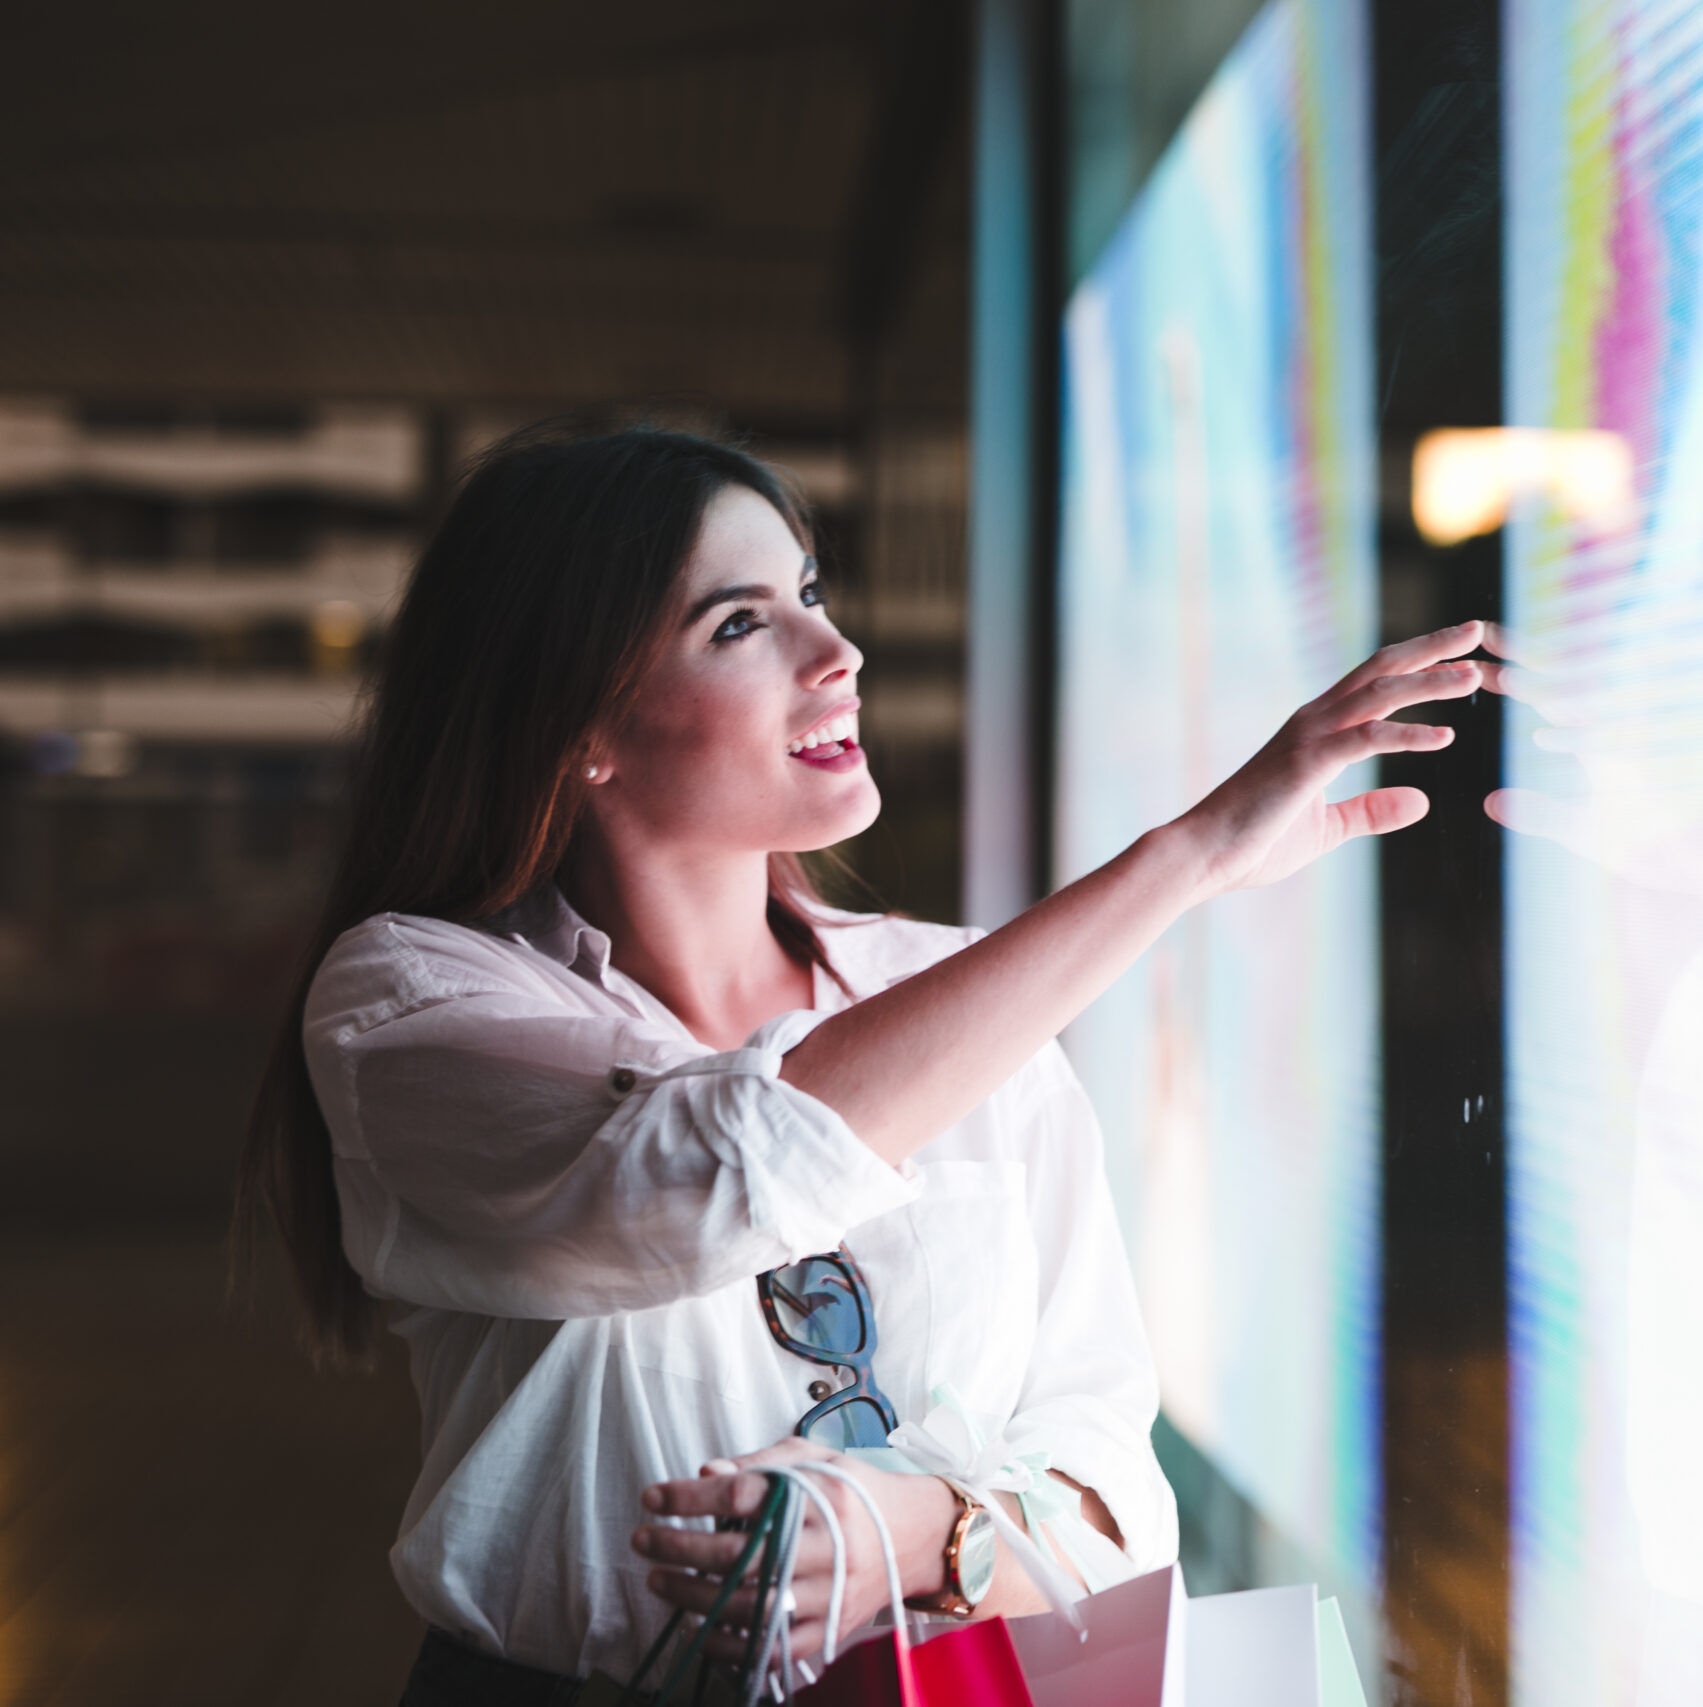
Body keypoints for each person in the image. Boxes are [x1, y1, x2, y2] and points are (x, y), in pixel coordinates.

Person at [234, 424, 1497, 1698]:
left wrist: (919, 1536)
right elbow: (703, 1173)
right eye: (740, 625)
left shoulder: (957, 997)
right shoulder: (407, 1001)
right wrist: (1187, 859)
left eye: (812, 595)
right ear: (575, 727)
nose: (835, 657)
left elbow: (1116, 1491)